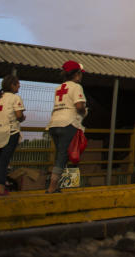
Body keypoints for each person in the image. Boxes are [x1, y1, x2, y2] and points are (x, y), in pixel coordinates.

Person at [46, 60, 87, 193]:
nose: (81, 76)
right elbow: (79, 106)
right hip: (68, 123)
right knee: (64, 156)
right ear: (76, 74)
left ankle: (57, 185)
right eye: (80, 74)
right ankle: (52, 187)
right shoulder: (76, 87)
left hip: (54, 123)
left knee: (60, 154)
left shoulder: (59, 88)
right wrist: (84, 111)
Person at [0, 74, 24, 197]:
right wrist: (23, 117)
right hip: (9, 132)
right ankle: (1, 188)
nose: (19, 86)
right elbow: (19, 116)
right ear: (12, 85)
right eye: (17, 83)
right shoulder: (15, 98)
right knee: (4, 161)